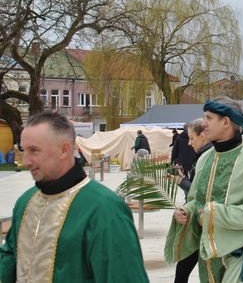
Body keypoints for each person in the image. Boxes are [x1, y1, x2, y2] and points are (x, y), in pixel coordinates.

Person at [0, 111, 148, 282]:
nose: (25, 161)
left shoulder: (104, 208)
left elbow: (124, 276)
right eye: (23, 150)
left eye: (34, 151)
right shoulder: (26, 201)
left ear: (64, 150)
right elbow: (9, 258)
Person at [165, 97, 243, 283]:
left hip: (242, 253)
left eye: (209, 118)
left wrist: (218, 215)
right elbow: (197, 200)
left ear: (226, 121)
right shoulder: (205, 158)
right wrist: (187, 211)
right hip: (210, 255)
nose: (204, 123)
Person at [171, 118, 214, 283]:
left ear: (202, 136)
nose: (189, 143)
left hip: (203, 220)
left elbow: (200, 193)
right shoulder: (203, 155)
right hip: (199, 217)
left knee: (184, 268)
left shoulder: (207, 157)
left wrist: (181, 181)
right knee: (183, 267)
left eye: (192, 138)